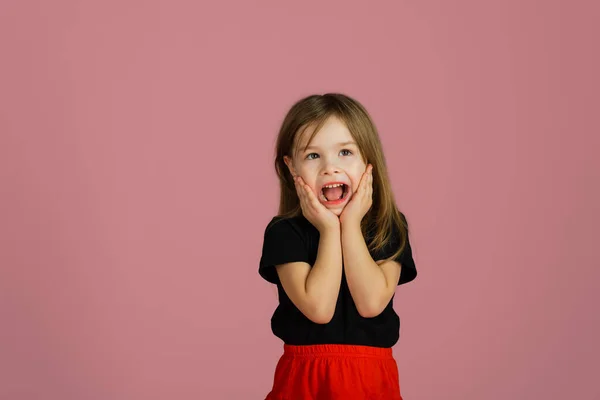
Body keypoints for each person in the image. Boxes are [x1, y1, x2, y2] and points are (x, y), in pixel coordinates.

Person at [259, 93, 418, 400]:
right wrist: (330, 229)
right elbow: (318, 308)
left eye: (345, 152)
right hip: (306, 382)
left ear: (368, 161)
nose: (330, 168)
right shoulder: (284, 232)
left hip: (372, 381)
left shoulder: (389, 226)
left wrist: (351, 225)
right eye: (313, 156)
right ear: (292, 167)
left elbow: (371, 303)